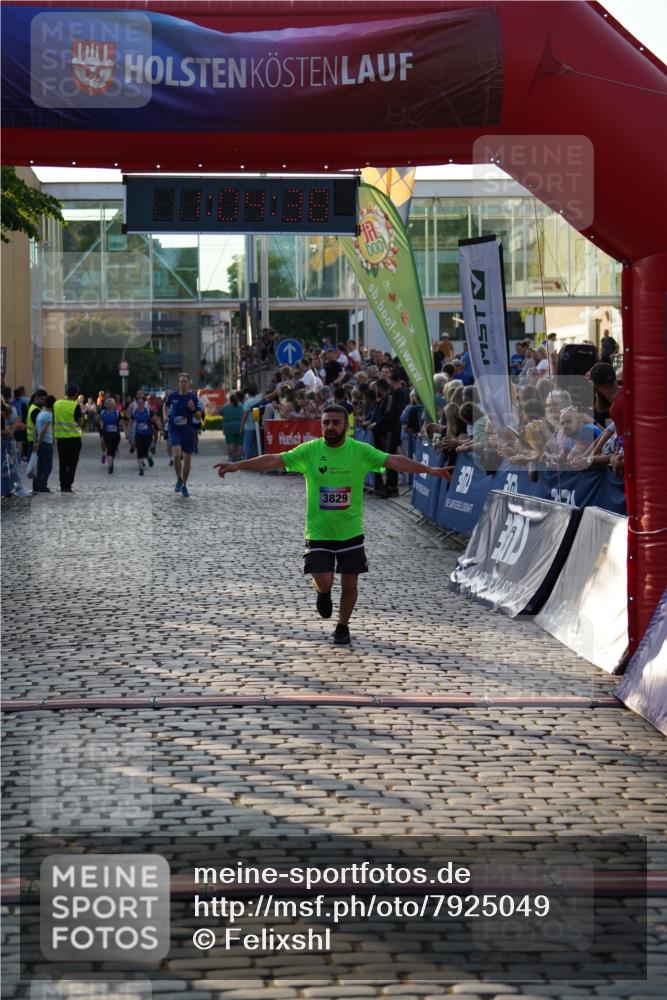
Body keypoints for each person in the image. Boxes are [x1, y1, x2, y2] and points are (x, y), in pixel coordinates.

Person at [213, 404, 452, 646]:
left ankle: (342, 626)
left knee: (350, 581)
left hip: (351, 531)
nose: (330, 427)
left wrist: (429, 469)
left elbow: (394, 461)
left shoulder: (360, 451)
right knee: (325, 580)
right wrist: (239, 465)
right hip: (319, 531)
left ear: (346, 426)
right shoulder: (310, 451)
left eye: (335, 423)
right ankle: (323, 592)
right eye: (326, 422)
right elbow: (274, 459)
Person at [164, 372, 199, 497]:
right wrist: (166, 416)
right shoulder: (172, 396)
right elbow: (165, 406)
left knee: (188, 461)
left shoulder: (193, 397)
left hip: (187, 430)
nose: (183, 383)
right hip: (174, 429)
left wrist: (193, 409)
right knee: (177, 454)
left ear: (189, 384)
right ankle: (178, 478)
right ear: (178, 383)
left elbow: (199, 416)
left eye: (185, 381)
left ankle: (184, 484)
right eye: (181, 381)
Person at [54, 384, 83, 493]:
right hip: (74, 439)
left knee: (62, 462)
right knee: (72, 463)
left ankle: (62, 485)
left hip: (61, 439)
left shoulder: (56, 404)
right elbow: (80, 422)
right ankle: (68, 485)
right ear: (76, 394)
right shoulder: (75, 406)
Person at [33, 394, 55, 493]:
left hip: (40, 442)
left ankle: (38, 486)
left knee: (40, 465)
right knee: (48, 466)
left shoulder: (40, 413)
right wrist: (39, 442)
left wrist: (36, 442)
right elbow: (43, 431)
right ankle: (43, 486)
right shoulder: (48, 415)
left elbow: (35, 429)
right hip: (46, 443)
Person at [131, 397, 158, 474]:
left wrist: (158, 427)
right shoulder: (135, 412)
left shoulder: (148, 412)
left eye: (141, 402)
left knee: (145, 450)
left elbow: (155, 420)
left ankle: (149, 457)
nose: (140, 404)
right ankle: (141, 469)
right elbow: (131, 422)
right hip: (138, 434)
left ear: (144, 403)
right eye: (138, 403)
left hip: (148, 434)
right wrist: (128, 431)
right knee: (139, 450)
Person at [99, 396, 123, 474]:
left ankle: (111, 463)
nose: (109, 405)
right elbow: (100, 421)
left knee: (113, 450)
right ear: (106, 405)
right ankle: (110, 467)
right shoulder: (103, 413)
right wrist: (101, 425)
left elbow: (121, 421)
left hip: (116, 435)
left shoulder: (117, 413)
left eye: (111, 404)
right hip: (106, 434)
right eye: (108, 404)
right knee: (109, 449)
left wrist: (125, 429)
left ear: (113, 405)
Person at [220, 393, 245, 461]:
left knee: (230, 443)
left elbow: (221, 413)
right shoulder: (242, 406)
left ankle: (231, 457)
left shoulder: (225, 407)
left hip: (228, 428)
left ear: (230, 400)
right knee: (239, 443)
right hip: (239, 426)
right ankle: (240, 457)